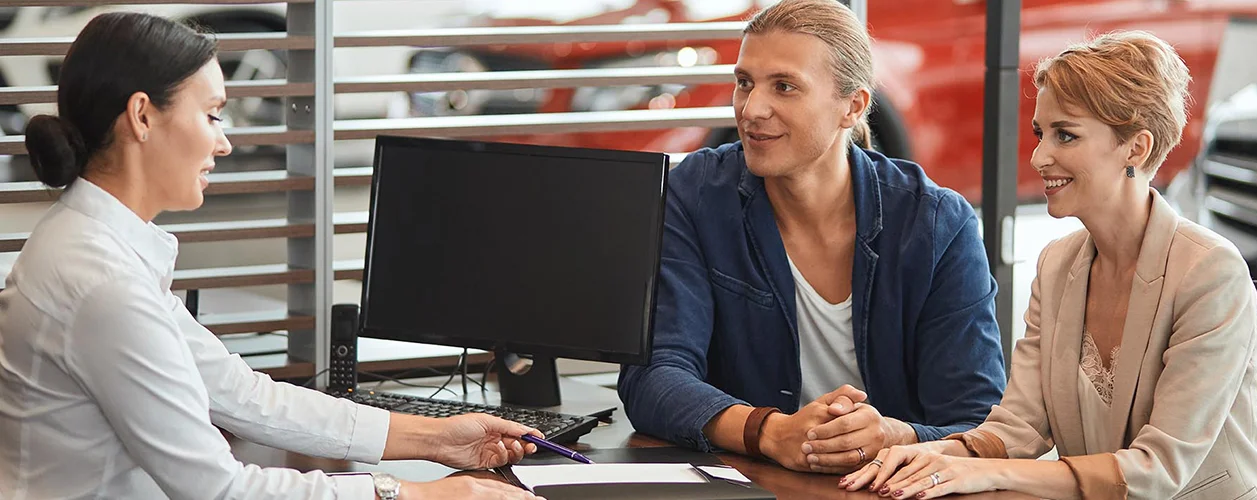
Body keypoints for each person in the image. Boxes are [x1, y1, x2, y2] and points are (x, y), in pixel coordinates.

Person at [0, 13, 543, 500]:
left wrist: (439, 439)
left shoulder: (95, 248)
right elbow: (220, 489)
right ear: (142, 116)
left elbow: (241, 394)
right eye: (213, 115)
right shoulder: (101, 284)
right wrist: (416, 496)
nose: (225, 142)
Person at [841, 31, 1257, 499]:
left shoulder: (1210, 274)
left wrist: (987, 474)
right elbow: (1019, 427)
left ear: (1135, 148)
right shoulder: (1058, 265)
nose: (1039, 156)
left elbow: (1158, 470)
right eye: (1041, 133)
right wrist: (934, 454)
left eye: (1065, 135)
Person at [617, 0, 1007, 475]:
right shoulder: (696, 194)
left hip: (893, 485)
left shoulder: (936, 222)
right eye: (744, 83)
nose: (751, 108)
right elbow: (654, 376)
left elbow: (979, 424)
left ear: (853, 106)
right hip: (754, 482)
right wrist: (770, 432)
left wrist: (892, 433)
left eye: (784, 86)